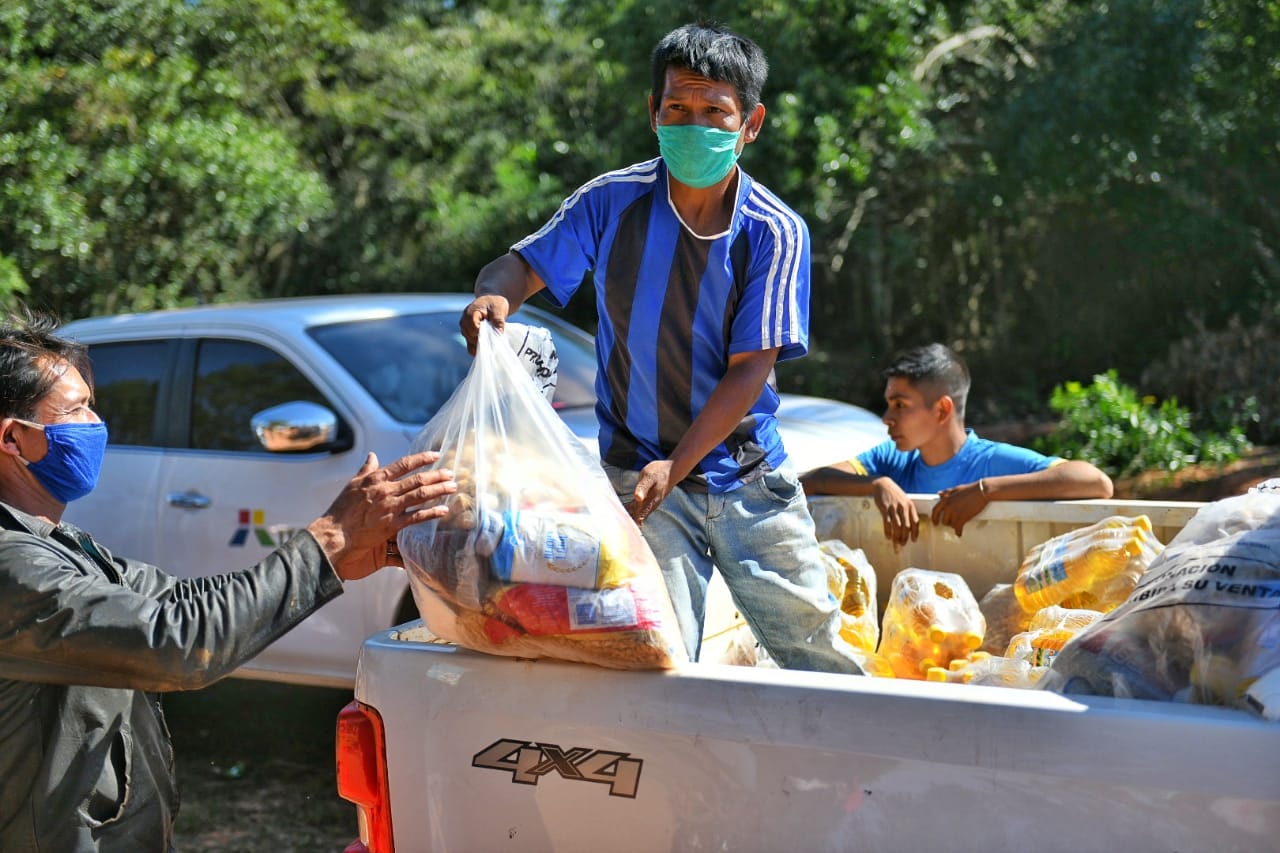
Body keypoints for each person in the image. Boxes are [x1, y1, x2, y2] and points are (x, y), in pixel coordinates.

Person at [459, 23, 864, 675]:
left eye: (715, 113)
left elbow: (749, 369)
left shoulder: (775, 231)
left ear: (750, 123)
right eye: (678, 109)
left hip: (747, 479)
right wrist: (491, 298)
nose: (693, 125)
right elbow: (519, 268)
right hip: (638, 485)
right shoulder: (609, 202)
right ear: (653, 113)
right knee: (655, 659)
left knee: (816, 653)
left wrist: (676, 465)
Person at [0, 307, 457, 852]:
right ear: (12, 438)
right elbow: (181, 642)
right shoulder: (14, 566)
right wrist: (327, 542)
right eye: (75, 412)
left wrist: (330, 564)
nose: (95, 426)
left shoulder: (57, 544)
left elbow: (182, 602)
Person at [800, 343, 1114, 546]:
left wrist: (987, 491)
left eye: (899, 405)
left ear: (942, 410)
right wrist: (876, 485)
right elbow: (811, 481)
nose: (886, 418)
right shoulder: (891, 460)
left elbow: (1097, 482)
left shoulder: (990, 462)